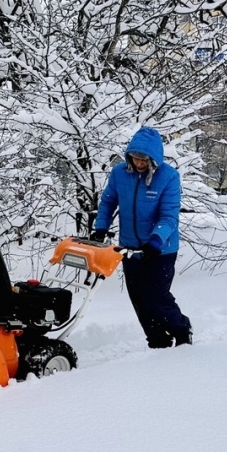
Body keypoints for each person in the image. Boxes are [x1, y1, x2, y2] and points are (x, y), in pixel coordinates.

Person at [88, 126, 192, 349]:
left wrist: (156, 239)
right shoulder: (119, 173)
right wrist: (101, 226)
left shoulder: (168, 177)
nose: (139, 163)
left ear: (153, 158)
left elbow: (169, 215)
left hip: (160, 249)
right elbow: (108, 201)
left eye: (144, 160)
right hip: (130, 248)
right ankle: (157, 340)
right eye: (135, 158)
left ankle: (181, 329)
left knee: (155, 297)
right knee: (138, 299)